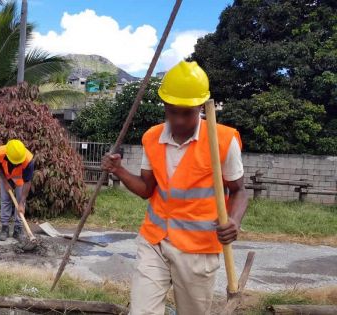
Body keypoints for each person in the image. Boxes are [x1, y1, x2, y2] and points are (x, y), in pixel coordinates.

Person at [101, 61, 248, 315]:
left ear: (201, 107)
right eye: (172, 111)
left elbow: (239, 191)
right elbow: (147, 189)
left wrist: (233, 221)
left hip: (198, 251)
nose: (178, 120)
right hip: (154, 242)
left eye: (187, 112)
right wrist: (119, 171)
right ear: (164, 105)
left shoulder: (223, 141)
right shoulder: (152, 137)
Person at [0, 139, 35, 241]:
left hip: (21, 179)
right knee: (5, 200)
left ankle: (18, 229)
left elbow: (28, 182)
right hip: (5, 177)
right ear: (8, 155)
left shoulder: (28, 160)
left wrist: (22, 201)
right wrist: (5, 182)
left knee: (20, 203)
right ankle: (5, 228)